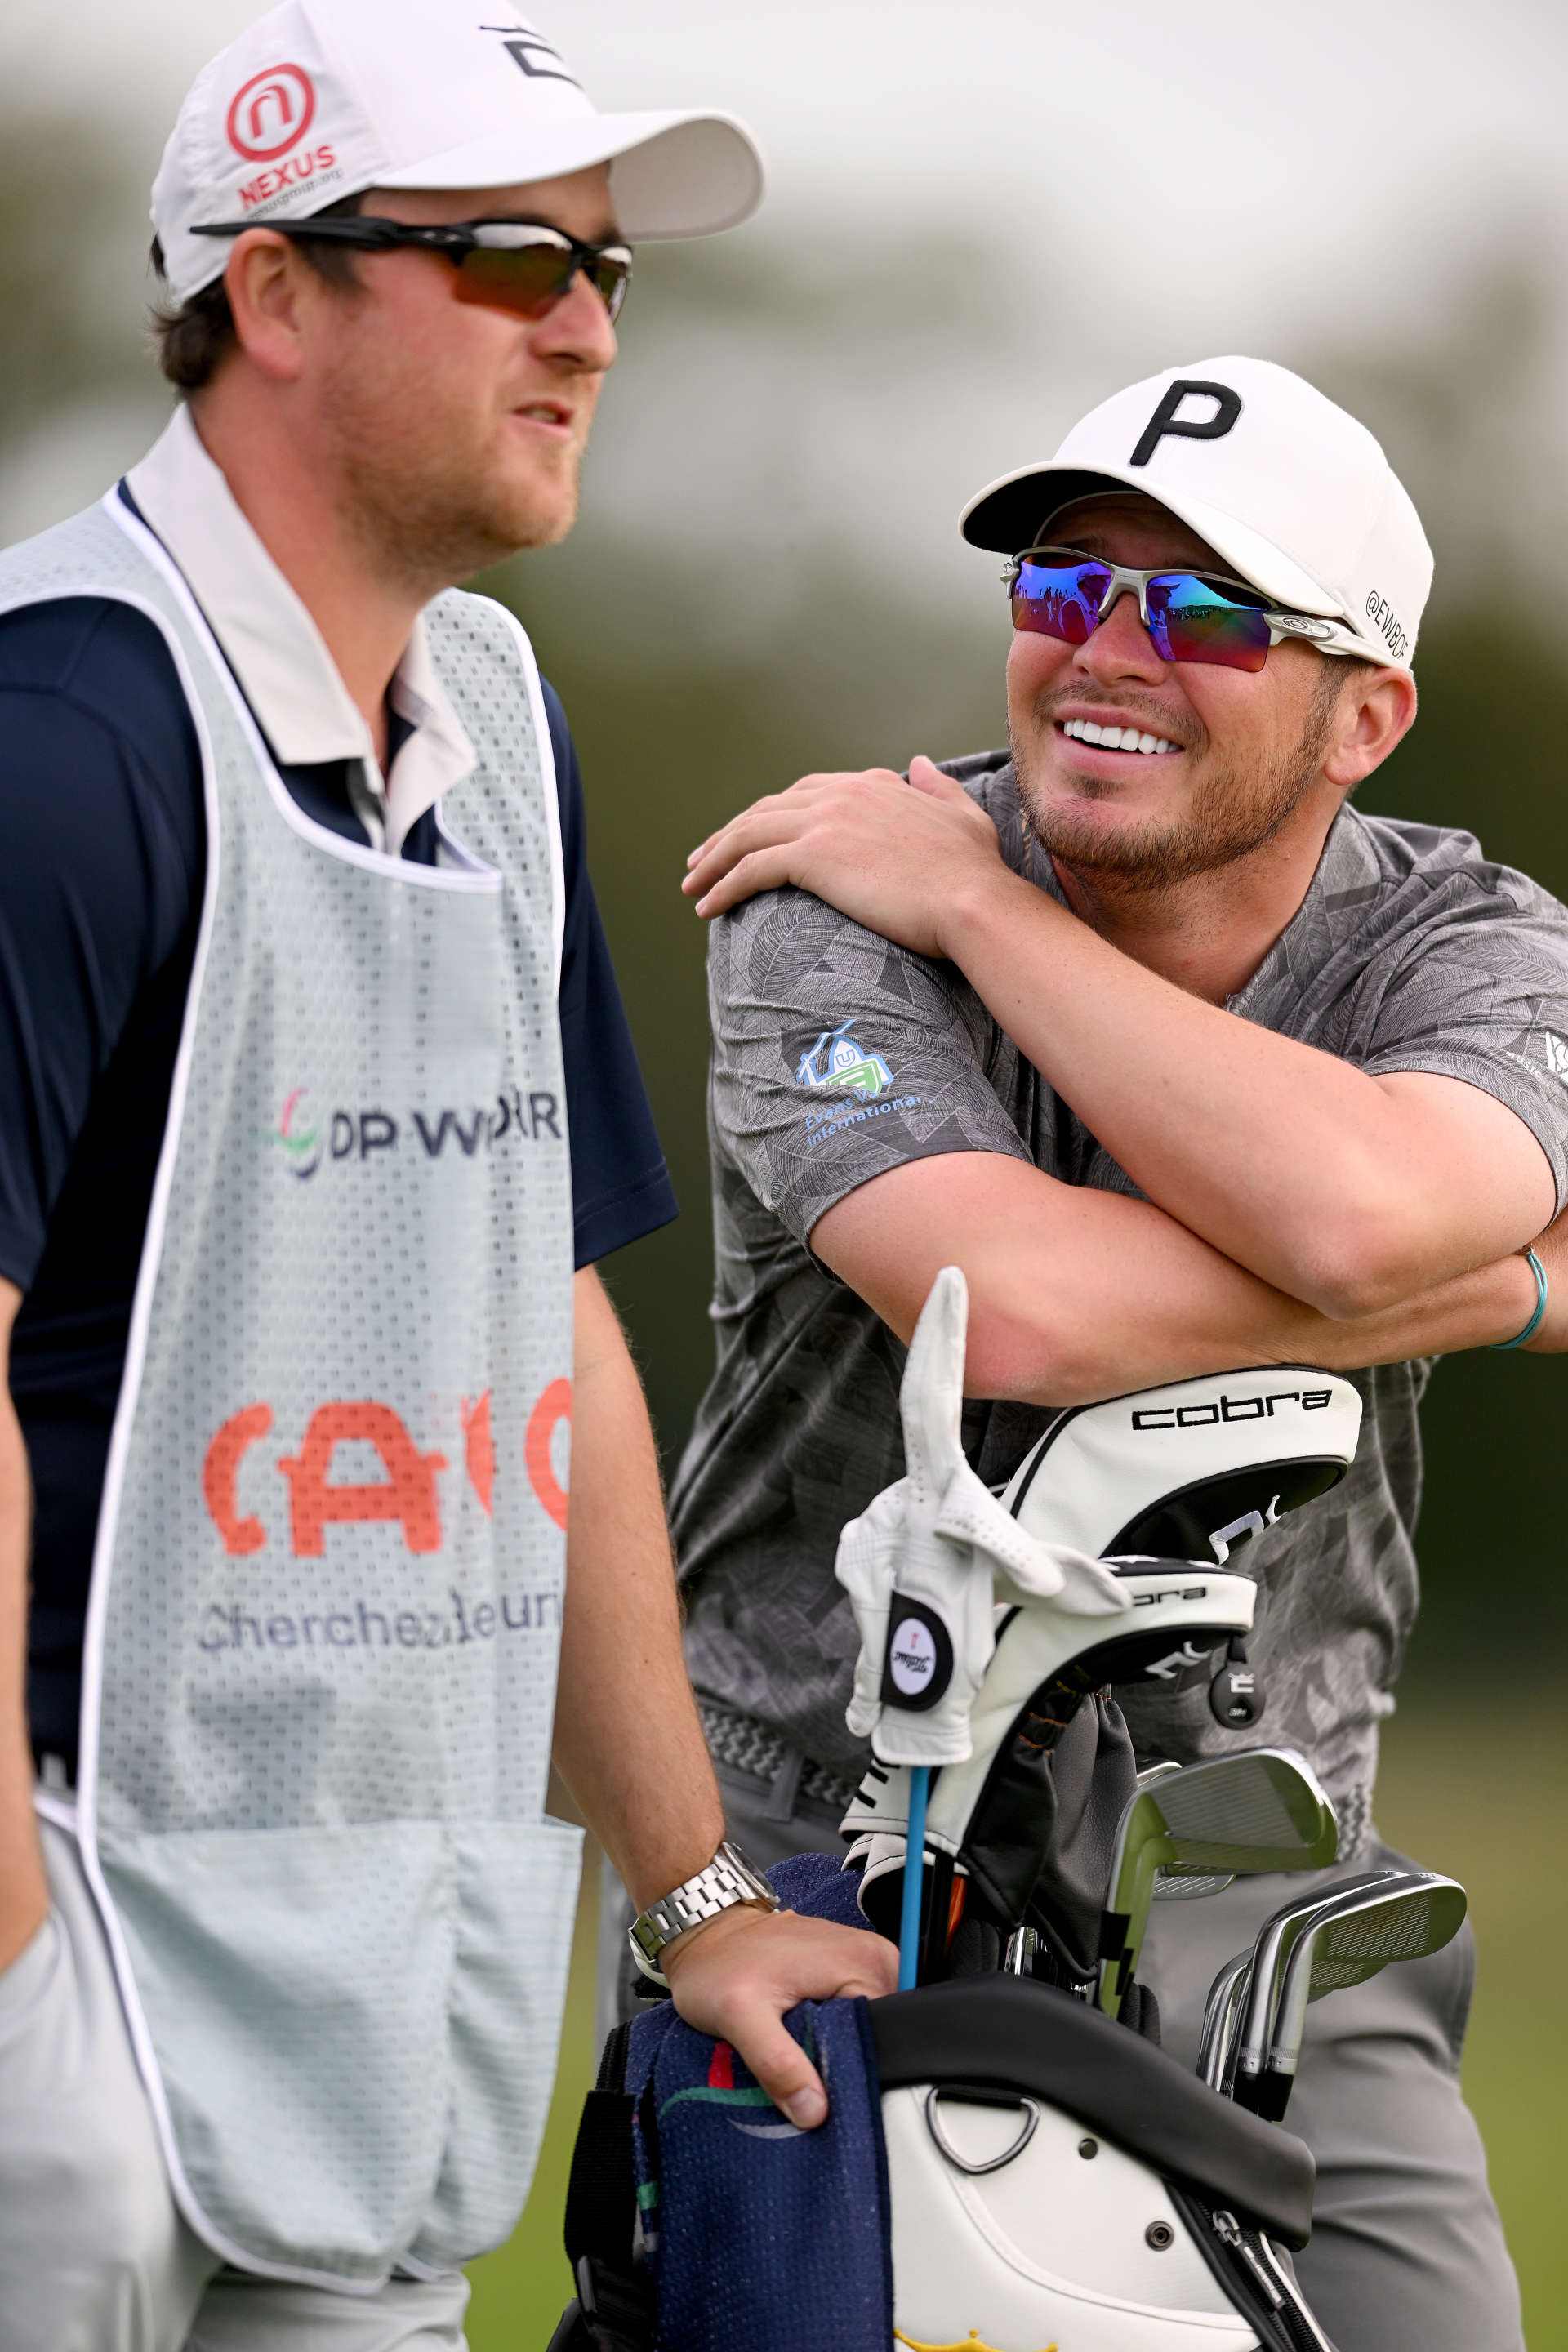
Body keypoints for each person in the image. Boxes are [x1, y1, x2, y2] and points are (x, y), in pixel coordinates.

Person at [0, 5, 894, 2345]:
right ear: (272, 295)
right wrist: (14, 2009)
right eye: (508, 257)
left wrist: (691, 1903)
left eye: (606, 269)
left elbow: (550, 1329)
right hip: (68, 1982)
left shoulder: (494, 719)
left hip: (376, 2014)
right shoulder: (60, 735)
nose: (590, 325)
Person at [654, 358, 1568, 2348]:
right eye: (1067, 591)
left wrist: (991, 916)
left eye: (1213, 615)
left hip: (1270, 1839)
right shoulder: (834, 886)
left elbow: (1348, 1223)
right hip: (826, 1849)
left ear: (1368, 716)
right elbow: (1028, 1315)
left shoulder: (1468, 937)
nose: (1111, 653)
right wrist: (1489, 1273)